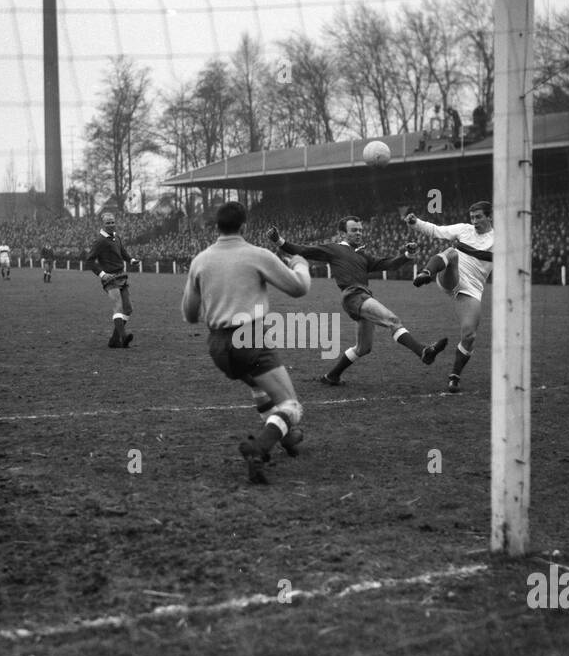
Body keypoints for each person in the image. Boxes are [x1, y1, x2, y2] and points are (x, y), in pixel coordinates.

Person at [182, 202, 311, 483]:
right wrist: (300, 263)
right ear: (244, 226)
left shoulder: (200, 261)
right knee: (292, 407)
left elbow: (190, 315)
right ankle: (259, 446)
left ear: (217, 226)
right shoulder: (256, 255)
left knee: (256, 383)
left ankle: (286, 438)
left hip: (217, 346)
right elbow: (299, 288)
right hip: (249, 338)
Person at [268, 215, 448, 385]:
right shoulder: (334, 249)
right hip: (353, 295)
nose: (359, 233)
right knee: (392, 320)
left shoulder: (362, 255)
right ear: (342, 234)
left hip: (362, 297)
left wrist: (407, 255)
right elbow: (302, 250)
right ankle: (423, 351)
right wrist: (278, 240)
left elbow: (388, 264)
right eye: (354, 230)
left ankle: (332, 376)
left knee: (363, 348)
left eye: (360, 230)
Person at [405, 200, 493, 393]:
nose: (475, 221)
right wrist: (415, 222)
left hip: (471, 290)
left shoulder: (498, 241)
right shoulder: (463, 230)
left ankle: (454, 376)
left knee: (469, 335)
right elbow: (437, 230)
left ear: (489, 217)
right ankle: (426, 273)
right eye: (472, 217)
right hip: (450, 276)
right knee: (452, 253)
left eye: (479, 217)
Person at [87, 212, 141, 347]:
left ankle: (114, 340)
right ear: (103, 224)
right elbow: (90, 261)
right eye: (108, 223)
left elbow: (122, 252)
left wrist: (131, 260)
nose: (111, 225)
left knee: (128, 309)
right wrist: (102, 274)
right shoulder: (100, 241)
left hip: (121, 275)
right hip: (110, 278)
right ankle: (124, 337)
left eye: (112, 222)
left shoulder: (116, 237)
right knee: (118, 306)